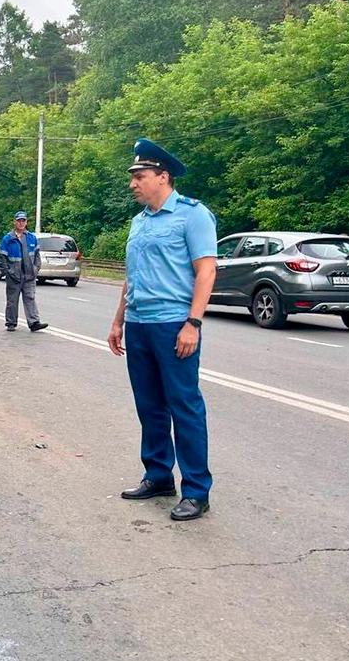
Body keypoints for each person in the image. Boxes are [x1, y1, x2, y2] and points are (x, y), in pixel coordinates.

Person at [108, 139, 217, 522]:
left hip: (174, 325)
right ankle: (157, 475)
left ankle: (196, 491)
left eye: (140, 176)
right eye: (133, 177)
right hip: (138, 325)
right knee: (150, 407)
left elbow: (206, 270)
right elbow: (131, 277)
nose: (133, 183)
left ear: (163, 177)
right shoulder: (139, 222)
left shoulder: (193, 215)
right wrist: (119, 320)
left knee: (184, 406)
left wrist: (193, 323)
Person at [0, 211, 48, 332]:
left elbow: (36, 256)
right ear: (14, 222)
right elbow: (1, 257)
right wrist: (7, 272)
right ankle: (11, 323)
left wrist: (36, 269)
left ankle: (34, 323)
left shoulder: (31, 238)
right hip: (14, 276)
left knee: (30, 298)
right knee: (12, 301)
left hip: (29, 275)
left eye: (23, 221)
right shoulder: (8, 238)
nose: (21, 223)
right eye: (19, 221)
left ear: (26, 222)